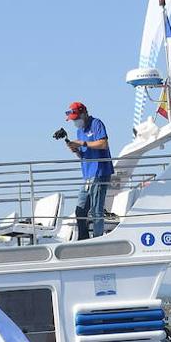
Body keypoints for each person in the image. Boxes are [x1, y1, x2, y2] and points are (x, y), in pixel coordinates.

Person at [61, 101, 113, 240]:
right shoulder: (80, 131)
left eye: (77, 119)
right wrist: (76, 150)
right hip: (88, 174)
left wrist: (82, 143)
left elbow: (103, 143)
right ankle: (83, 239)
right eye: (74, 120)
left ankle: (97, 239)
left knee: (97, 209)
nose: (76, 122)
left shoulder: (96, 123)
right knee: (80, 210)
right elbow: (83, 154)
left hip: (100, 172)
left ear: (84, 114)